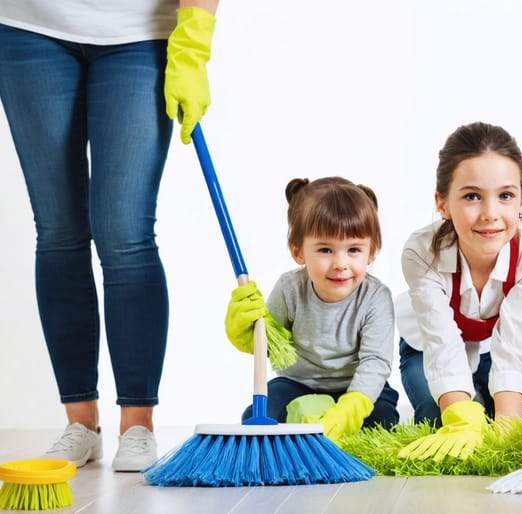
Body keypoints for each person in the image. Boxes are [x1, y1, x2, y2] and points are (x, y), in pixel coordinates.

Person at [0, 0, 218, 471]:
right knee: (58, 231)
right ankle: (81, 424)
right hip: (27, 27)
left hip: (139, 34)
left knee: (126, 234)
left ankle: (137, 425)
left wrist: (195, 40)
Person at [394, 121, 522, 461]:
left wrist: (508, 424)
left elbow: (516, 339)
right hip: (427, 347)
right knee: (437, 418)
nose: (490, 214)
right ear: (442, 204)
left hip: (497, 344)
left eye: (506, 196)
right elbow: (441, 340)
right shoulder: (420, 253)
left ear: (521, 200)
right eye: (471, 196)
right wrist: (461, 418)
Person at [225, 177, 400, 441]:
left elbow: (375, 362)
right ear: (298, 252)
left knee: (383, 421)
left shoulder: (375, 297)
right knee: (258, 416)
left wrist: (350, 408)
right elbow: (270, 342)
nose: (340, 263)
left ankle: (337, 423)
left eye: (354, 249)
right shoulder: (290, 288)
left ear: (371, 252)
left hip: (357, 387)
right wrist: (247, 331)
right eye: (325, 250)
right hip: (298, 385)